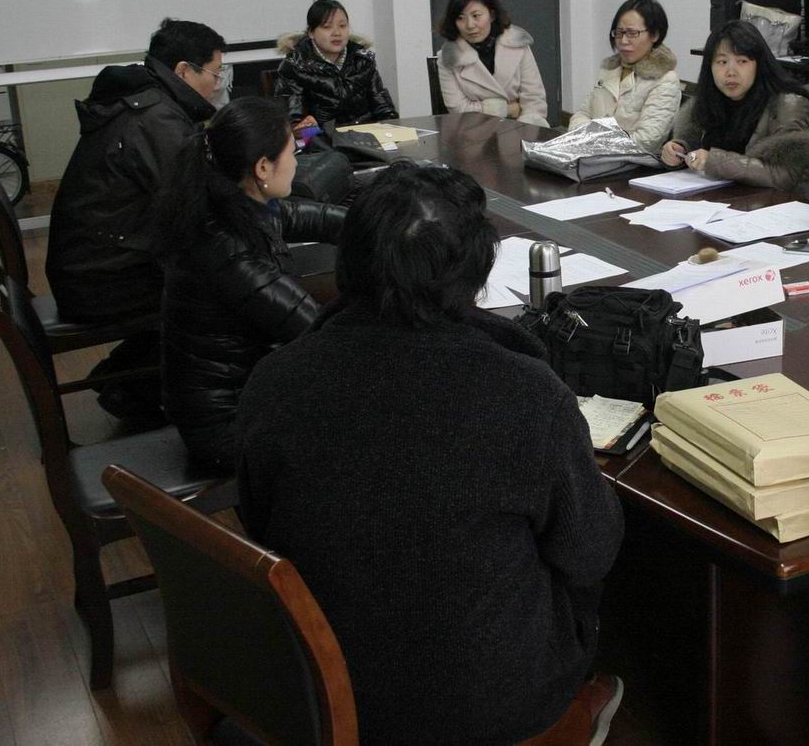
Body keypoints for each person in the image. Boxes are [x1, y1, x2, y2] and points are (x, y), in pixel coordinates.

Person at [236, 163, 625, 746]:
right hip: (485, 706)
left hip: (320, 685)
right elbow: (590, 552)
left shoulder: (275, 379)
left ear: (348, 262)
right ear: (475, 276)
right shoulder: (526, 393)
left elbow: (258, 519)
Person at [47, 17, 228, 421]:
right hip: (102, 280)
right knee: (220, 290)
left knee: (206, 272)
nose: (217, 85)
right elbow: (193, 202)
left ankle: (126, 378)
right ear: (184, 71)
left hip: (91, 264)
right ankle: (144, 391)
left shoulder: (148, 101)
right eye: (215, 73)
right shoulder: (155, 118)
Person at [155, 98, 345, 470]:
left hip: (241, 395)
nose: (297, 162)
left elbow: (306, 216)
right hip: (226, 427)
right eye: (292, 152)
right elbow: (316, 334)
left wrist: (376, 222)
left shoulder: (233, 205)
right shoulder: (228, 249)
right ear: (262, 167)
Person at [660, 19, 809, 192]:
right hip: (717, 199)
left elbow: (785, 176)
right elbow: (696, 150)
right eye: (722, 62)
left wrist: (715, 161)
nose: (731, 72)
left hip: (772, 203)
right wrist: (680, 151)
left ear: (759, 64)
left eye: (742, 61)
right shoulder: (706, 101)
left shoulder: (789, 104)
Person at [568, 0, 681, 154]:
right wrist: (590, 141)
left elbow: (646, 141)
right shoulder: (609, 70)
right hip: (592, 155)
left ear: (655, 35)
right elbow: (582, 114)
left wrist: (594, 142)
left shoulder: (665, 80)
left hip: (633, 164)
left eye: (632, 33)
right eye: (619, 32)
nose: (623, 41)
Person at [437, 0, 549, 127]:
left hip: (518, 130)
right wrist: (507, 110)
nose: (470, 25)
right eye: (460, 18)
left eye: (476, 16)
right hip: (472, 133)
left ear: (491, 15)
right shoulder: (449, 58)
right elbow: (459, 110)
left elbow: (534, 101)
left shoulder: (517, 44)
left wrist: (523, 132)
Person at [274, 0, 397, 130]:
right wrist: (311, 131)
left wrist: (391, 130)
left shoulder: (362, 60)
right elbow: (293, 128)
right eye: (327, 27)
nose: (337, 33)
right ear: (311, 32)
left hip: (365, 135)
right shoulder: (295, 65)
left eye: (342, 26)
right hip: (321, 138)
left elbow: (384, 108)